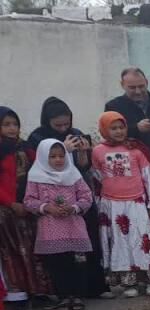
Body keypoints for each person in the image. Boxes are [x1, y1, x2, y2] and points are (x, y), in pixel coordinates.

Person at [28, 97, 109, 298]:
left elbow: (83, 168)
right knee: (58, 254)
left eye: (67, 124)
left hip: (76, 193)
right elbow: (39, 165)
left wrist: (82, 153)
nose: (64, 128)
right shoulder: (38, 137)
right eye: (58, 125)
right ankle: (65, 293)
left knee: (88, 241)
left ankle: (94, 286)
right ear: (48, 122)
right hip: (49, 199)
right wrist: (63, 150)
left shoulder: (77, 134)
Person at [92, 111, 150, 298]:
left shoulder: (136, 149)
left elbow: (148, 178)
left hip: (137, 202)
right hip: (113, 204)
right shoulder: (98, 151)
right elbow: (97, 177)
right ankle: (128, 283)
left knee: (144, 239)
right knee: (120, 243)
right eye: (113, 128)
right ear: (104, 130)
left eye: (121, 127)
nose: (118, 131)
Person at [23, 139, 93, 310]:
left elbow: (86, 196)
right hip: (50, 228)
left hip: (73, 226)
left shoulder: (73, 175)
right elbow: (28, 201)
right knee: (57, 264)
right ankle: (63, 297)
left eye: (61, 155)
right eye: (52, 156)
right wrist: (47, 208)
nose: (58, 160)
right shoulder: (36, 177)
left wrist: (74, 207)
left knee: (76, 262)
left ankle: (76, 296)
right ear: (42, 157)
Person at [0, 106, 48, 310]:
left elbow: (40, 170)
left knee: (34, 249)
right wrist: (11, 203)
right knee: (13, 252)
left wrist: (32, 201)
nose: (12, 128)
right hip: (6, 211)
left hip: (29, 206)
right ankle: (16, 295)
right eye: (6, 124)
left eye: (15, 124)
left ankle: (39, 291)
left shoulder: (26, 147)